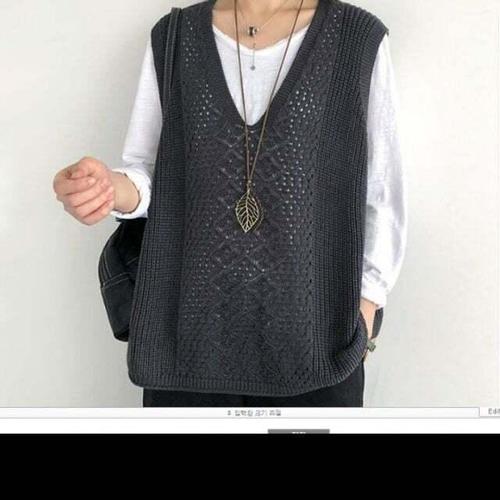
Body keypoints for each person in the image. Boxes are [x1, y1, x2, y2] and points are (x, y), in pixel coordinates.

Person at [52, 0, 407, 407]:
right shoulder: (175, 38)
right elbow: (150, 172)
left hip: (316, 346)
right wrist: (107, 189)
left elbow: (383, 190)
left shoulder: (355, 39)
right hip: (189, 343)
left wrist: (366, 311)